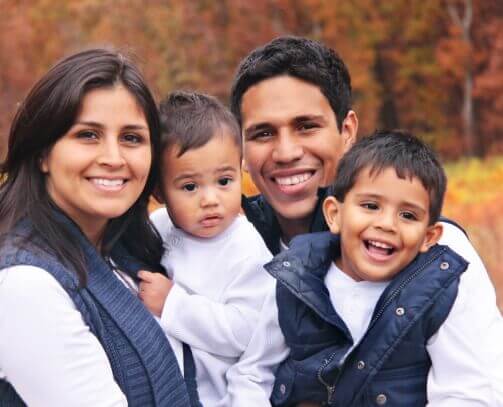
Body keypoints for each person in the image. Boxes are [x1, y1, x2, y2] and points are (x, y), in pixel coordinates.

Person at [230, 36, 503, 405]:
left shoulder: (436, 254)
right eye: (263, 133)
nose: (287, 152)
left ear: (346, 132)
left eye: (306, 126)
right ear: (240, 151)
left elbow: (476, 392)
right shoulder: (218, 238)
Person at [0, 49, 193, 406]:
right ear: (42, 153)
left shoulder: (131, 253)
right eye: (88, 135)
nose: (113, 158)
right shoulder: (24, 285)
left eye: (132, 138)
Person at [266, 130, 501, 406]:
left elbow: (465, 392)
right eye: (371, 205)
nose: (387, 224)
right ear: (334, 214)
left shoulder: (435, 293)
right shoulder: (296, 277)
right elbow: (255, 371)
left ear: (429, 237)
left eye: (407, 215)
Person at [140, 91, 276, 406]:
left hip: (215, 395)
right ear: (160, 191)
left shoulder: (245, 247)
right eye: (190, 187)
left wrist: (173, 304)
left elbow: (247, 332)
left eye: (224, 181)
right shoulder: (159, 227)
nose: (211, 199)